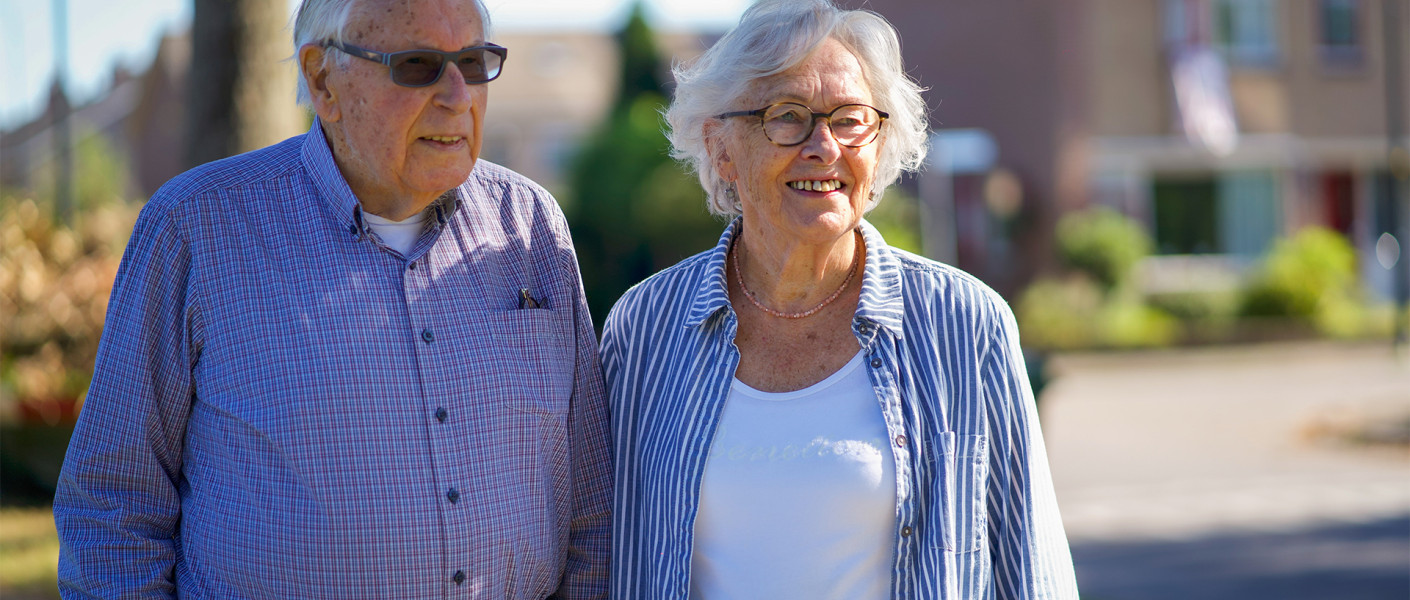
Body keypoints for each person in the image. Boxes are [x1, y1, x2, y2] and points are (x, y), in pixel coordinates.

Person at [52, 0, 611, 596]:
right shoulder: (196, 227)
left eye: (472, 63)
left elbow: (591, 512)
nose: (458, 95)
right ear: (323, 79)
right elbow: (110, 508)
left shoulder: (532, 229)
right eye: (418, 65)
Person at [601, 0, 1079, 598]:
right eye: (787, 115)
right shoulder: (646, 328)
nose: (825, 147)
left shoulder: (964, 323)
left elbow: (1028, 567)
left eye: (851, 119)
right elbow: (603, 553)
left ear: (879, 147)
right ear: (721, 148)